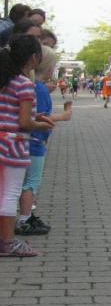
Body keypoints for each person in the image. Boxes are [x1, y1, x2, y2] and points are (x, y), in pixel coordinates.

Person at [0, 34, 54, 257]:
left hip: (2, 139)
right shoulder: (24, 84)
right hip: (15, 144)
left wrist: (33, 115)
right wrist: (39, 124)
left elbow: (11, 112)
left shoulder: (6, 80)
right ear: (33, 58)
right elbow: (23, 122)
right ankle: (7, 242)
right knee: (10, 193)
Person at [15, 46, 72, 237]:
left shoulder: (32, 85)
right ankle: (25, 219)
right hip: (34, 141)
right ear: (48, 67)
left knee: (24, 182)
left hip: (27, 140)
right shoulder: (37, 88)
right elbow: (39, 116)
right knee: (31, 182)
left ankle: (25, 216)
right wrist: (63, 116)